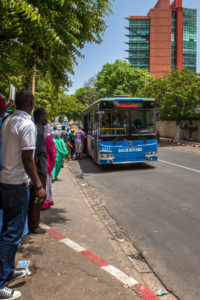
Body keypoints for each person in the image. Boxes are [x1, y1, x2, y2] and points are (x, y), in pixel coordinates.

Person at [0, 90, 46, 299]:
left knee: (10, 229)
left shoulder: (7, 121)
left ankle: (7, 270)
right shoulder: (27, 125)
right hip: (17, 184)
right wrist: (38, 185)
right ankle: (1, 282)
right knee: (13, 233)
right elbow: (28, 159)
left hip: (6, 180)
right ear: (31, 104)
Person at [28, 108, 48, 234]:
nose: (47, 118)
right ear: (40, 117)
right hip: (39, 170)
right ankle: (34, 225)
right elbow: (34, 155)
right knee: (37, 198)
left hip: (40, 169)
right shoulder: (38, 132)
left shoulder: (38, 129)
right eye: (46, 116)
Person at [42, 134, 56, 209]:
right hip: (45, 167)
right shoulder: (48, 138)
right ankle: (45, 204)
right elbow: (53, 154)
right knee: (46, 186)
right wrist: (50, 167)